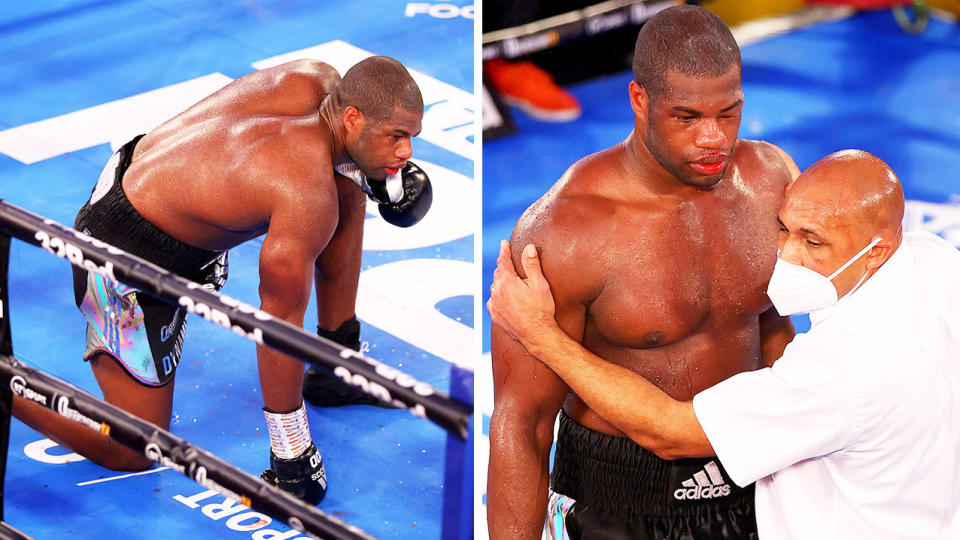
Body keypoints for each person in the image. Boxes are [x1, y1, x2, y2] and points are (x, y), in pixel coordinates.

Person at [11, 56, 432, 505]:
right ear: (352, 117)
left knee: (347, 184)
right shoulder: (305, 191)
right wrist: (292, 453)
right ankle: (5, 384)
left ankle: (337, 364)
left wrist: (374, 168)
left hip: (142, 174)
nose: (407, 153)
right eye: (397, 137)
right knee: (133, 449)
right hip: (121, 254)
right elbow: (278, 322)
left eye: (411, 137)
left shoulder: (316, 80)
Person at [488, 150, 960, 539]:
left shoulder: (840, 371)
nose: (786, 254)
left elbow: (670, 431)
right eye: (783, 228)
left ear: (875, 250)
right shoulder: (933, 261)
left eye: (813, 242)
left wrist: (541, 335)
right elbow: (523, 421)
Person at [487, 5, 801, 539]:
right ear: (639, 100)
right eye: (687, 117)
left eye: (729, 113)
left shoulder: (771, 179)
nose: (713, 139)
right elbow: (522, 423)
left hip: (755, 472)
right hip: (618, 500)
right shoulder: (564, 230)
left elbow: (773, 327)